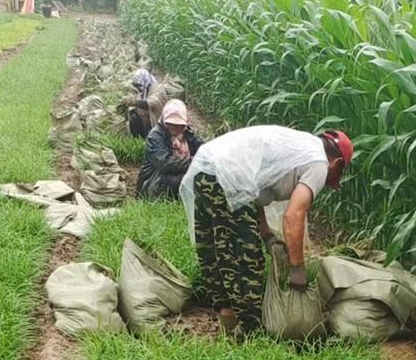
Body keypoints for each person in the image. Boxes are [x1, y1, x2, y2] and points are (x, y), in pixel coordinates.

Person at [180, 124, 353, 335]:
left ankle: (227, 318)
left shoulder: (300, 145)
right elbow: (294, 215)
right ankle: (251, 330)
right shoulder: (319, 163)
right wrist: (297, 268)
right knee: (247, 257)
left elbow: (255, 186)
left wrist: (266, 234)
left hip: (206, 167)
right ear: (336, 162)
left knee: (217, 248)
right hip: (229, 174)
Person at [137, 100, 203, 201]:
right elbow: (165, 164)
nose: (175, 127)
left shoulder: (188, 134)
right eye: (171, 123)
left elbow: (203, 149)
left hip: (178, 173)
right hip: (155, 181)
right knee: (180, 180)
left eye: (179, 124)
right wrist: (195, 161)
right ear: (165, 121)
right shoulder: (155, 136)